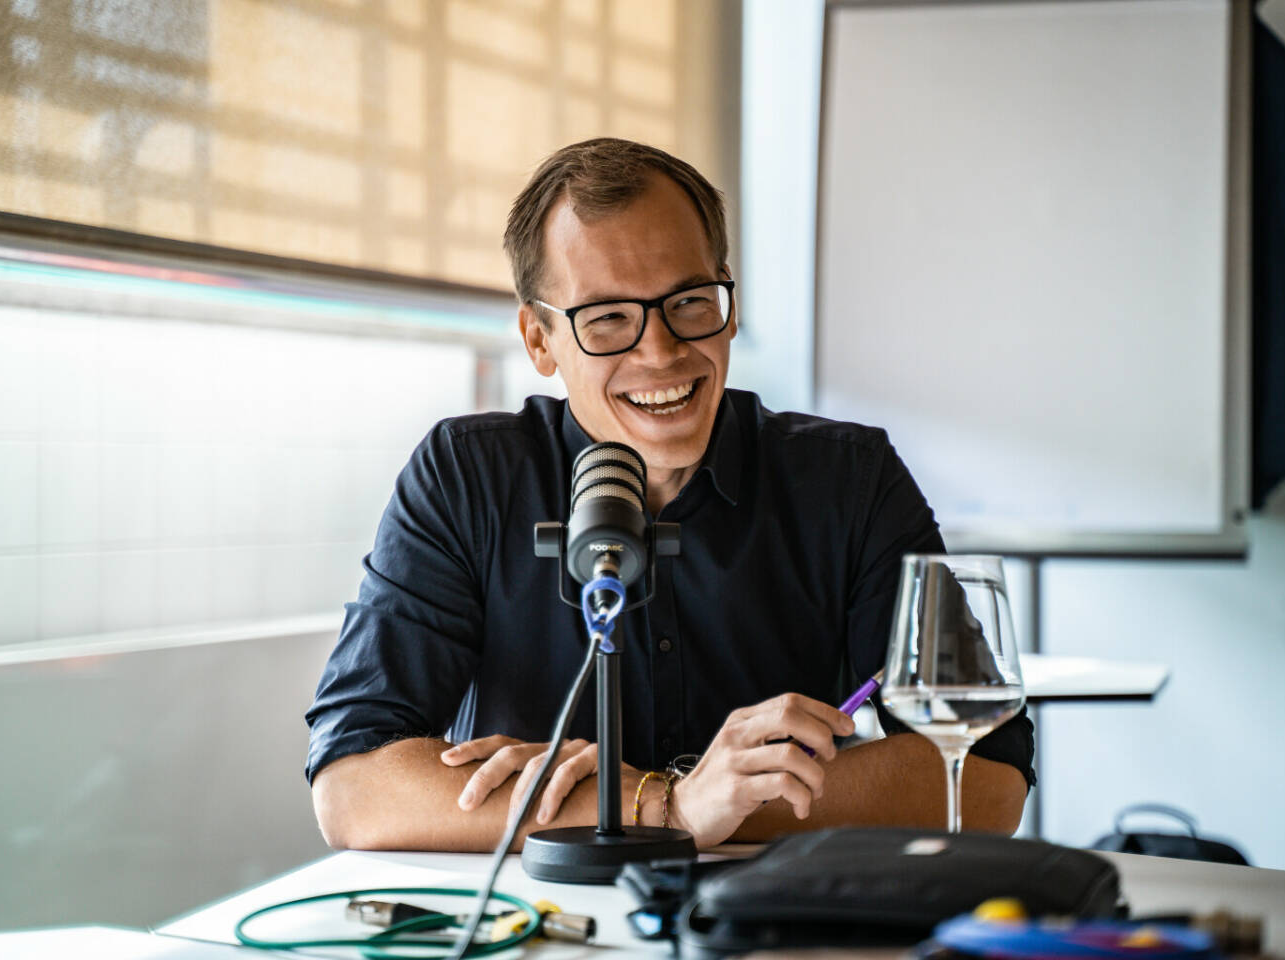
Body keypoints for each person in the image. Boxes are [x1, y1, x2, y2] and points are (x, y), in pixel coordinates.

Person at [306, 138, 1034, 852]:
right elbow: (353, 786)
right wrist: (671, 805)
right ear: (538, 340)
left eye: (688, 301)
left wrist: (716, 802)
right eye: (608, 319)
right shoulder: (465, 474)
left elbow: (988, 780)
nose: (660, 351)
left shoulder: (850, 479)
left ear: (730, 302)